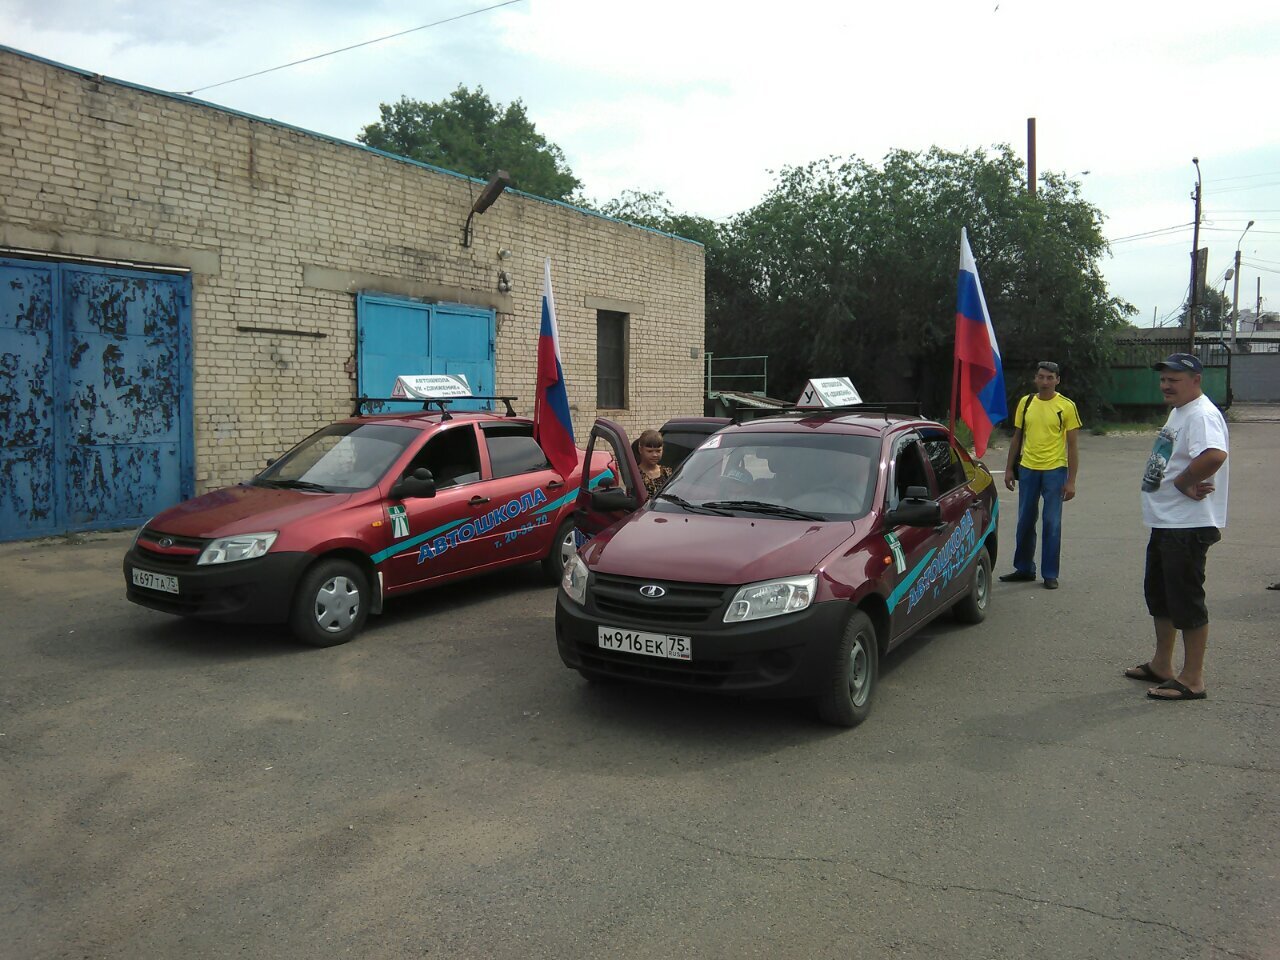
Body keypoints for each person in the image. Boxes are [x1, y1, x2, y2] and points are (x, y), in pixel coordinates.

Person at [1125, 353, 1229, 701]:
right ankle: (1162, 664)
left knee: (1186, 601)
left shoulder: (1201, 414)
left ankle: (1193, 678)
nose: (1166, 385)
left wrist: (1185, 482)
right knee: (1161, 596)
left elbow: (1214, 455)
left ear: (1197, 379)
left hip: (1187, 525)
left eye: (1175, 379)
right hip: (1167, 521)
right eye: (1164, 378)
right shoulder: (1181, 411)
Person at [998, 361, 1082, 590]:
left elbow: (1073, 446)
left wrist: (1071, 481)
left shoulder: (1066, 406)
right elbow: (1017, 437)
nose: (1045, 382)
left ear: (1057, 380)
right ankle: (1024, 568)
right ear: (1035, 379)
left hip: (1055, 470)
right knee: (1025, 520)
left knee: (1051, 522)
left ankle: (1050, 573)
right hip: (1028, 468)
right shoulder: (1026, 403)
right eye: (1041, 377)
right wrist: (1008, 469)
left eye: (1050, 377)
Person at [634, 429, 672, 498]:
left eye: (658, 451)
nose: (655, 455)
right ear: (640, 450)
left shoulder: (667, 473)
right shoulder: (635, 475)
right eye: (650, 451)